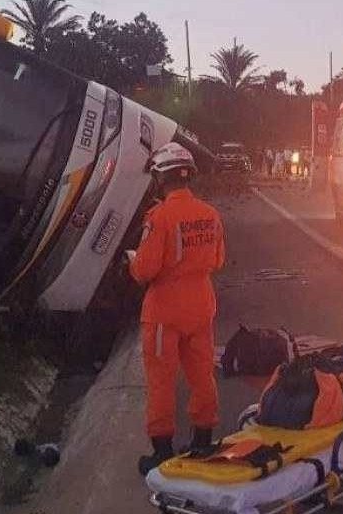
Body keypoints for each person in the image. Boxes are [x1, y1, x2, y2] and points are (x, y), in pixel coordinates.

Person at [127, 142, 226, 475]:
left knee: (161, 381)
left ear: (160, 179)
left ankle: (162, 452)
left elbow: (144, 270)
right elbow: (218, 260)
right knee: (202, 376)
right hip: (200, 306)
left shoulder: (159, 217)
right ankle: (202, 441)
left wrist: (132, 261)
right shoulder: (210, 215)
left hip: (164, 313)